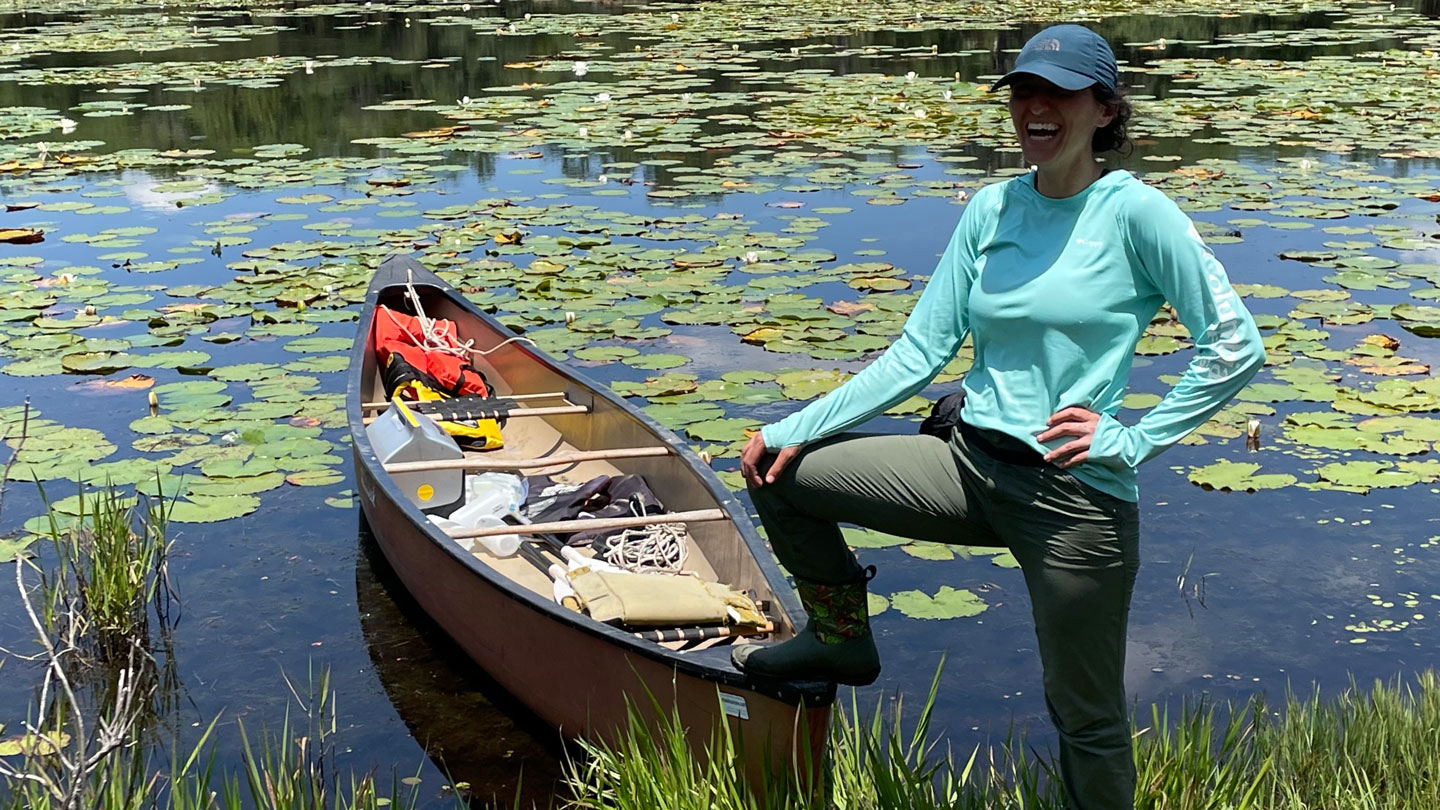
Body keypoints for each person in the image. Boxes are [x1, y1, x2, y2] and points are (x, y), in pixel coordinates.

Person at [732, 23, 1266, 810]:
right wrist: (794, 425)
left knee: (1085, 717)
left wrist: (1136, 436)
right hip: (967, 468)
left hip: (1073, 502)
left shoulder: (1136, 212)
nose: (1036, 109)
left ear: (1105, 109)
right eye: (1024, 92)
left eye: (1059, 93)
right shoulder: (991, 207)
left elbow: (1235, 344)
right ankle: (841, 638)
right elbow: (919, 353)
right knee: (780, 475)